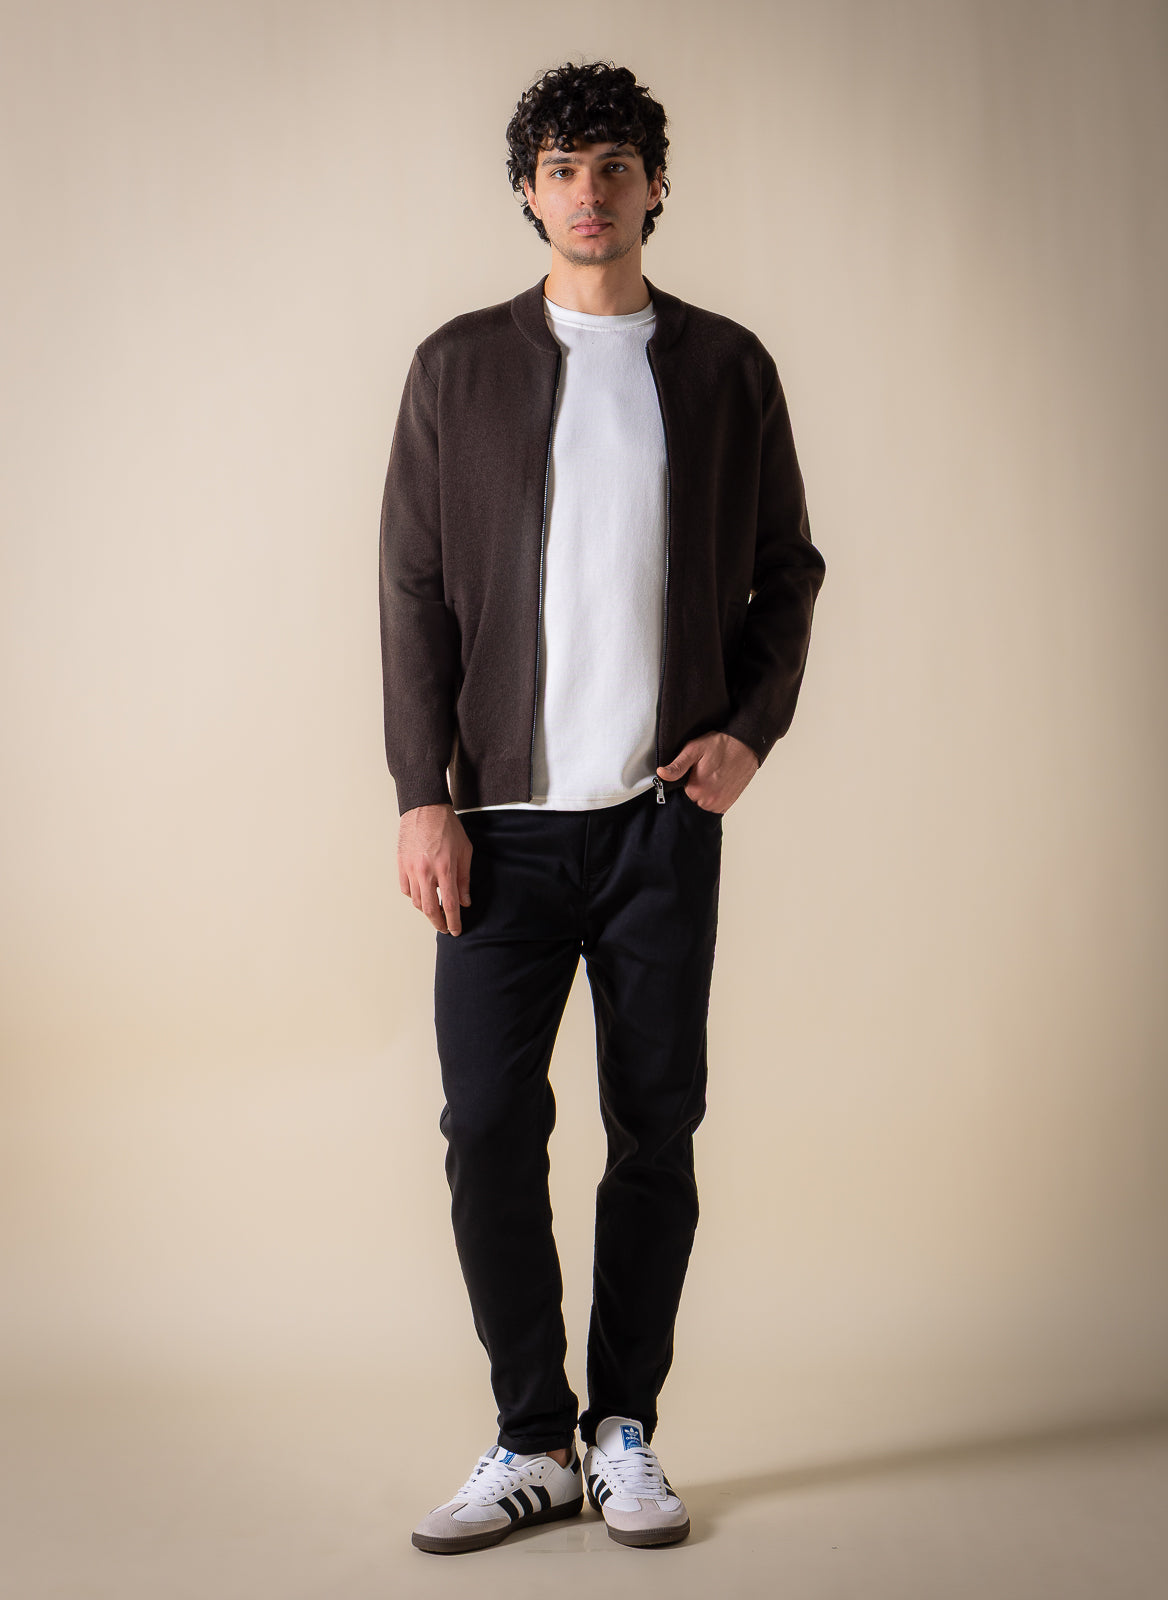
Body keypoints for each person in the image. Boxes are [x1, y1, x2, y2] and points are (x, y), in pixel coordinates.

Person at [379, 60, 825, 1555]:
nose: (589, 190)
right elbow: (413, 591)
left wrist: (748, 732)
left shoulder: (726, 367)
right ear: (528, 190)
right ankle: (532, 1440)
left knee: (656, 1127)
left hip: (656, 826)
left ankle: (623, 1427)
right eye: (563, 166)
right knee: (487, 1127)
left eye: (614, 164)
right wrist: (421, 797)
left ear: (654, 186)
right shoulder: (456, 369)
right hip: (496, 831)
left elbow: (790, 570)